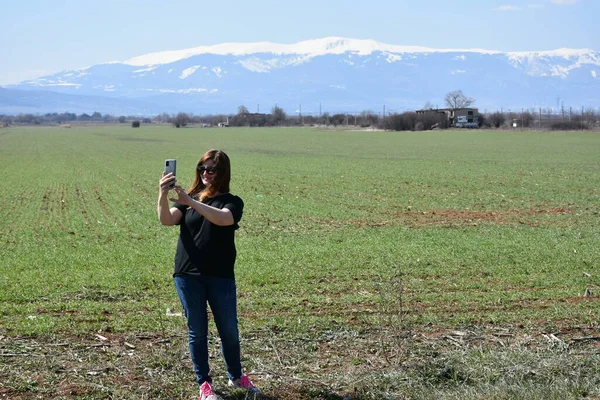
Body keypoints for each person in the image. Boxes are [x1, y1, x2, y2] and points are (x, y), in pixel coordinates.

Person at [157, 149, 259, 400]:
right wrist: (162, 194)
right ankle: (204, 384)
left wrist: (191, 202)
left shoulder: (232, 201)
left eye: (211, 169)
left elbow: (224, 219)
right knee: (197, 330)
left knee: (228, 329)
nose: (205, 173)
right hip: (187, 273)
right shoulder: (188, 198)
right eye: (202, 168)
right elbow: (167, 220)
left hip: (220, 274)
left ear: (222, 172)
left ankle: (236, 376)